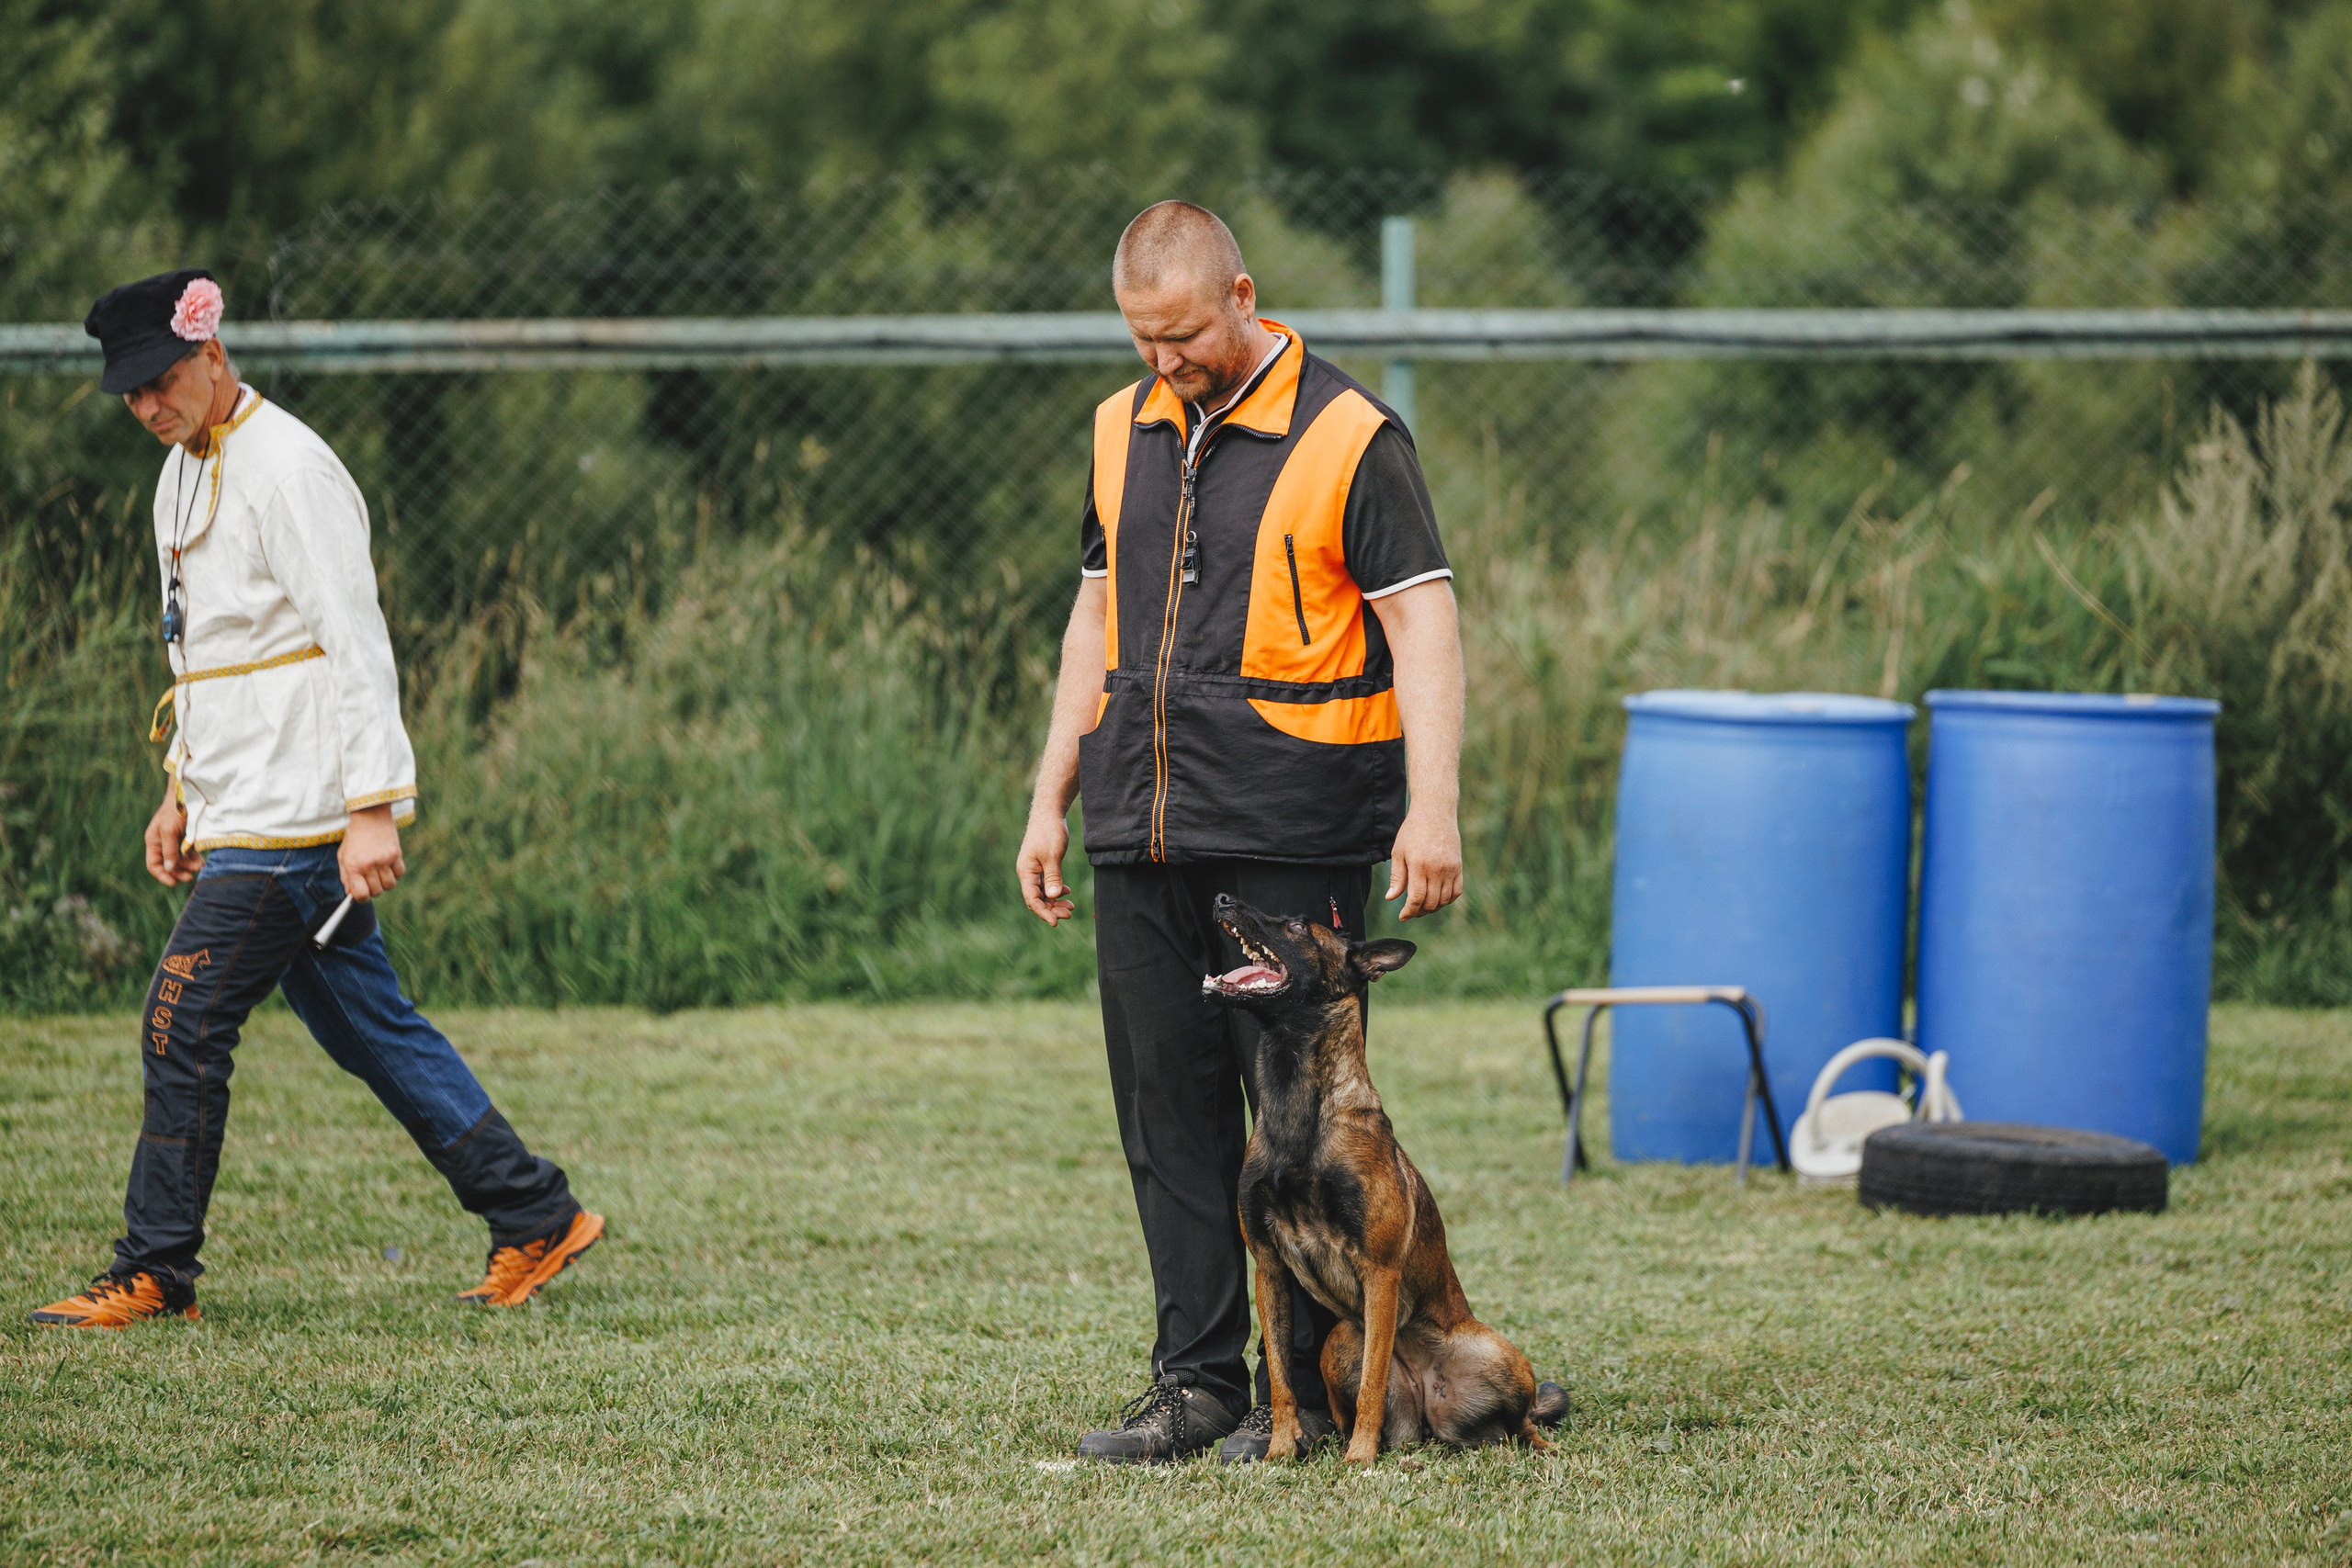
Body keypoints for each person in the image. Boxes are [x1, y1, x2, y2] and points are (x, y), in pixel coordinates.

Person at [28, 270, 604, 1329]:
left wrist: (374, 804)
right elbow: (203, 659)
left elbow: (355, 637)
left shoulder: (289, 467)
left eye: (158, 380)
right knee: (368, 1029)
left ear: (209, 353)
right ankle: (534, 1213)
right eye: (128, 392)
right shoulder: (178, 477)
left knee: (181, 1019)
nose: (146, 405)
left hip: (298, 813)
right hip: (237, 803)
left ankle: (155, 1271)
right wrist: (178, 796)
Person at [1016, 203, 1465, 1462]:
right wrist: (1051, 792)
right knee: (1168, 1115)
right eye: (1141, 340)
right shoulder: (1122, 428)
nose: (1164, 363)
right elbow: (1091, 621)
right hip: (1141, 823)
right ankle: (1198, 1385)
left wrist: (1431, 805)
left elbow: (1423, 621)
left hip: (1293, 820)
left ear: (1243, 294)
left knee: (1308, 1130)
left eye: (1184, 337)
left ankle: (1317, 1392)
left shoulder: (1349, 435)